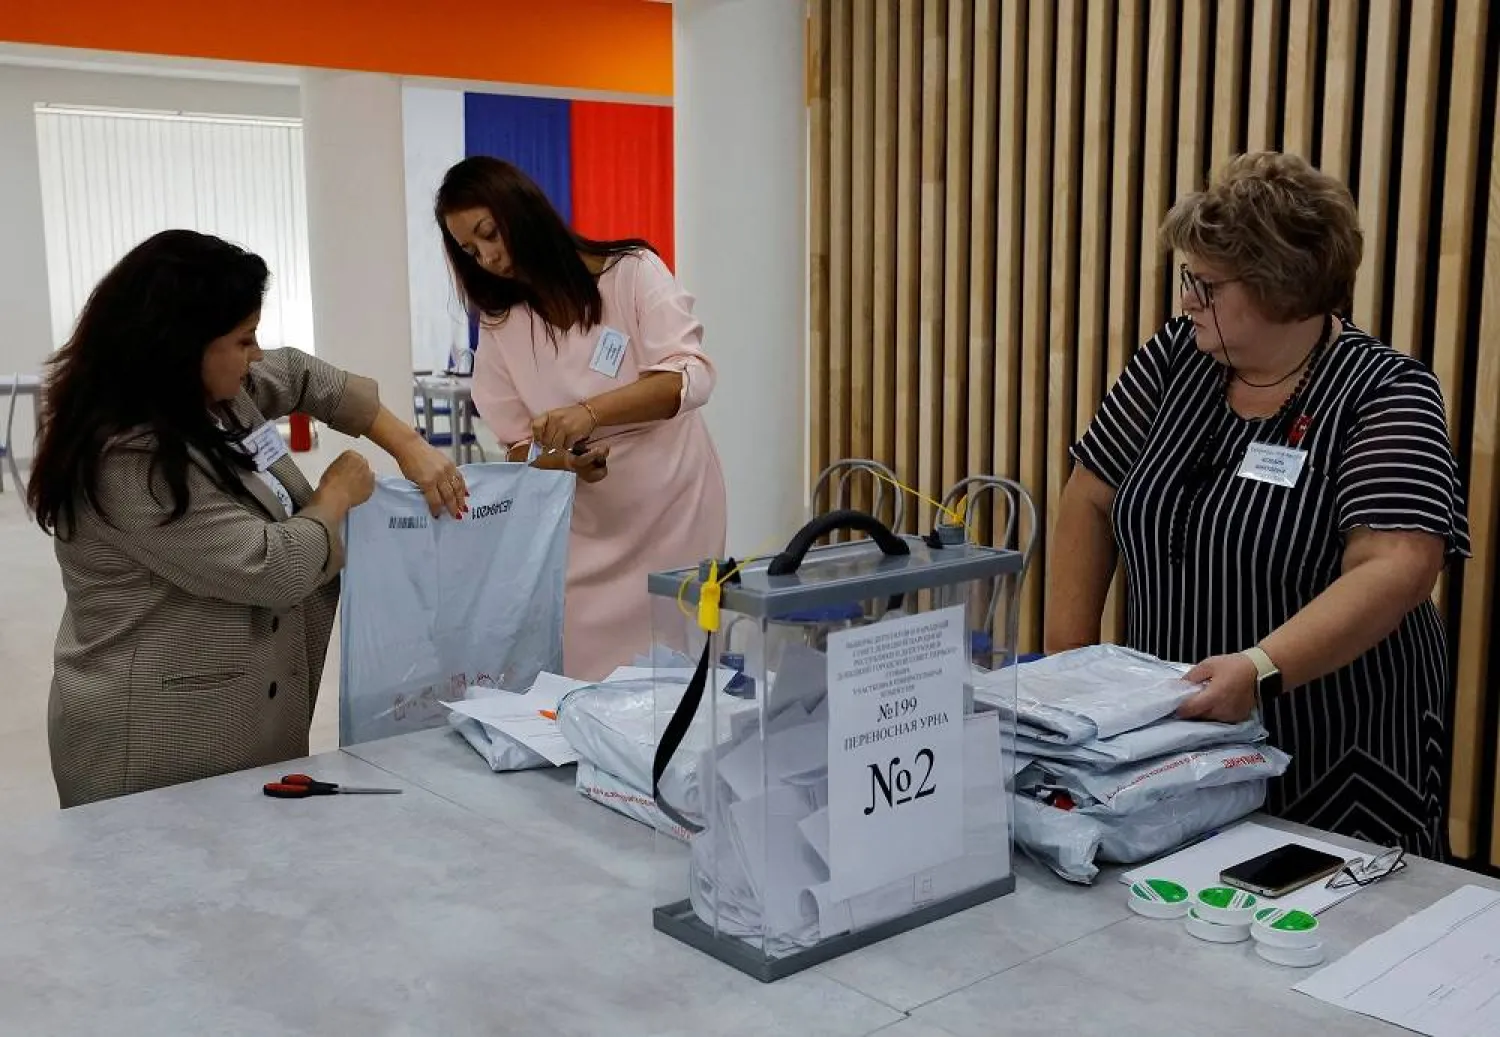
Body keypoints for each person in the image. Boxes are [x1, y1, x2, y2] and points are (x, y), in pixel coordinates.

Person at [1047, 152, 1470, 858]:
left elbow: (1397, 565)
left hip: (1338, 752)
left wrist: (1262, 667)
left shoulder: (1386, 392)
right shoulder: (1175, 359)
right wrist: (1069, 675)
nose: (1187, 300)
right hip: (1181, 743)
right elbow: (1091, 498)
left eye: (1206, 285)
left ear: (1281, 289)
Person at [29, 229, 470, 807]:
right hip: (157, 744)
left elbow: (307, 376)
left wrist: (407, 444)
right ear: (179, 345)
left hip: (242, 723)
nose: (256, 354)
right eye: (243, 340)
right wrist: (335, 493)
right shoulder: (125, 461)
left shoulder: (215, 394)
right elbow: (271, 566)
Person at [435, 156, 727, 681]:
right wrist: (563, 461)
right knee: (582, 671)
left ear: (522, 209)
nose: (489, 257)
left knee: (675, 669)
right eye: (470, 250)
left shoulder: (632, 273)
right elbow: (518, 448)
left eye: (490, 233)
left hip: (674, 509)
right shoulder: (503, 326)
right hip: (588, 528)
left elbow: (690, 376)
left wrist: (588, 414)